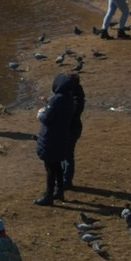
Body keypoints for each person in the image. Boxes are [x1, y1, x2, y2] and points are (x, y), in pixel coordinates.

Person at [35, 70, 82, 203]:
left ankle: (48, 196)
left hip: (51, 137)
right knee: (57, 166)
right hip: (61, 135)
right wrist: (48, 105)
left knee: (50, 168)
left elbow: (48, 119)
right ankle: (59, 191)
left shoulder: (58, 99)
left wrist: (41, 114)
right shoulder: (70, 98)